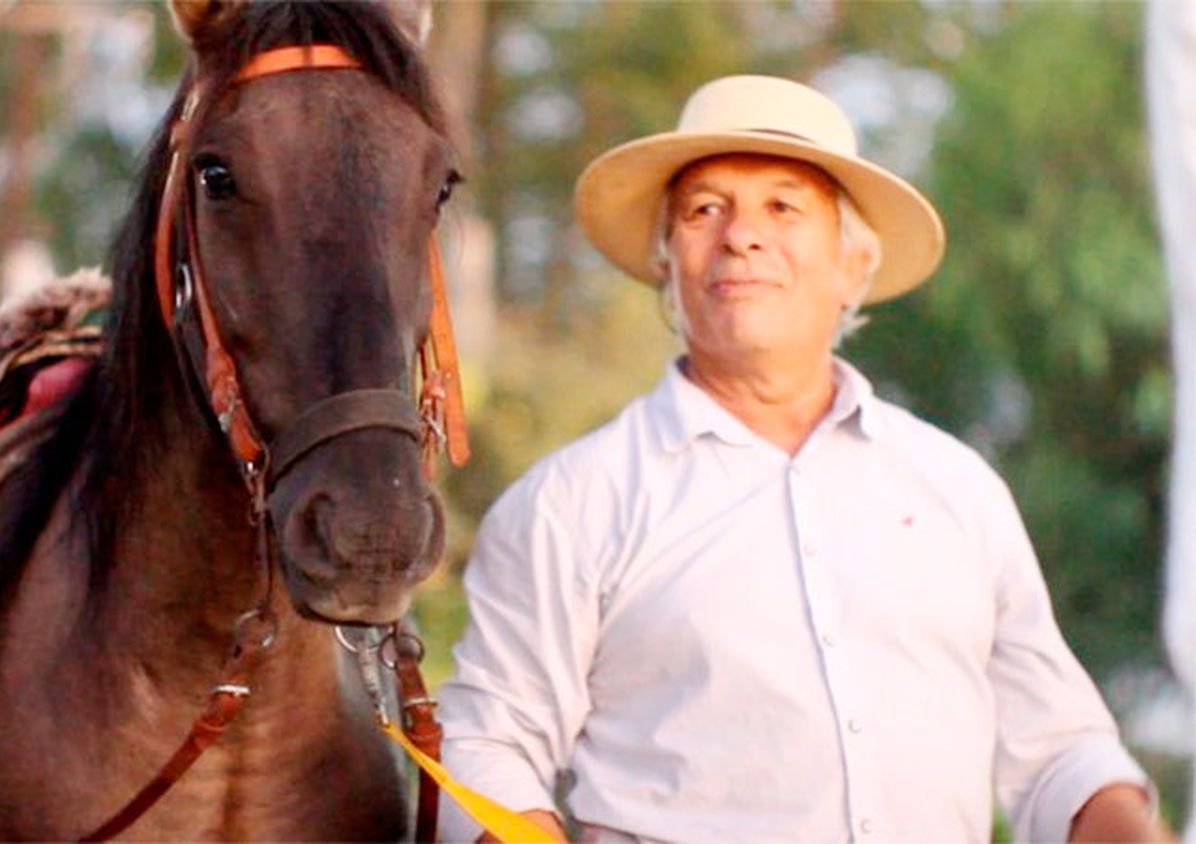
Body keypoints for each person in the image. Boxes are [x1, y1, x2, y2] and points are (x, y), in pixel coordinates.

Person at [437, 75, 1171, 843]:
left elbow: (1060, 752)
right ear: (668, 261)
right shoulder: (572, 502)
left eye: (782, 206)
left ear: (853, 266)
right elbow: (491, 742)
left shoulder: (957, 486)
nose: (740, 235)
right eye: (704, 209)